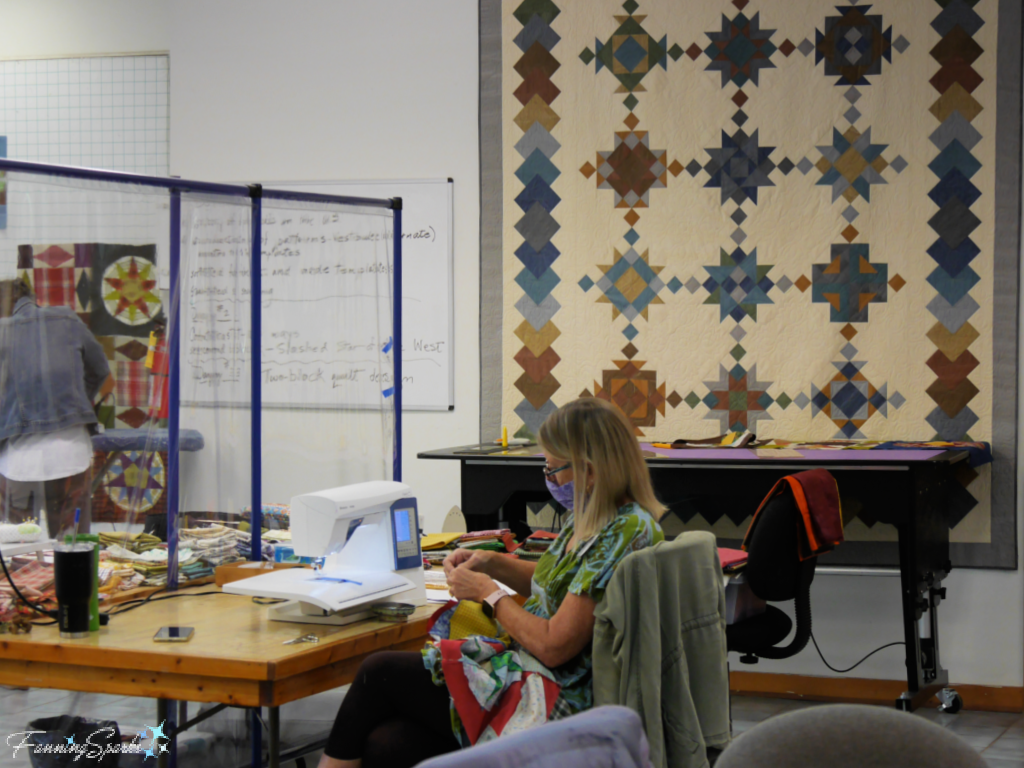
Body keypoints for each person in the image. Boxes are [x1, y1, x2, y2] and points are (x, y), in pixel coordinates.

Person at [319, 397, 666, 768]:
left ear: (590, 470)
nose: (549, 479)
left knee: (379, 673)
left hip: (553, 691)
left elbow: (553, 646)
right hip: (530, 669)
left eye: (553, 469)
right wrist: (492, 563)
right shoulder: (599, 516)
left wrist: (490, 594)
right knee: (386, 745)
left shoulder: (622, 533)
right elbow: (560, 585)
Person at [0, 278, 113, 539]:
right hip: (70, 450)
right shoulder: (67, 319)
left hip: (16, 460)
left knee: (20, 545)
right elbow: (100, 370)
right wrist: (75, 403)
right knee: (72, 545)